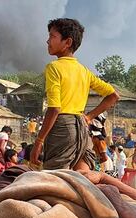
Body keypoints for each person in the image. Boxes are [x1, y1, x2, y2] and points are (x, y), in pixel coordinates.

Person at [30, 18, 120, 171]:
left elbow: (55, 108)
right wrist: (89, 117)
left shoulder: (54, 67)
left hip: (62, 127)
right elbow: (114, 96)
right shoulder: (84, 71)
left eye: (52, 36)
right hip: (82, 128)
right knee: (83, 176)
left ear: (67, 42)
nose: (47, 41)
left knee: (56, 179)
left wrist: (39, 141)